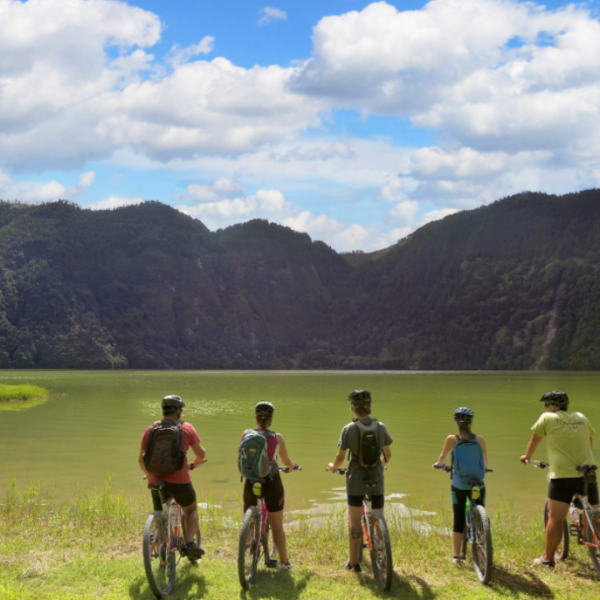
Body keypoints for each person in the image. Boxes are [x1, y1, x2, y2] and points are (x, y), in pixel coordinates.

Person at [520, 390, 597, 568]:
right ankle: (592, 539)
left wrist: (527, 457)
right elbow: (589, 442)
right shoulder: (582, 417)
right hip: (588, 472)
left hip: (563, 476)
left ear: (553, 406)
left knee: (555, 518)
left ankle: (547, 560)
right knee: (595, 514)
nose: (545, 408)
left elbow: (535, 439)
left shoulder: (547, 418)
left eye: (546, 405)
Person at [327, 389, 393, 573]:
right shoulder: (381, 427)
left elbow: (340, 458)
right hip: (377, 478)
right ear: (369, 407)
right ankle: (382, 555)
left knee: (354, 523)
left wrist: (333, 467)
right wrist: (380, 465)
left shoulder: (348, 429)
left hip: (356, 478)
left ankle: (353, 563)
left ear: (353, 407)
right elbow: (388, 455)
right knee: (379, 518)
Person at [139, 395, 206, 559]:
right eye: (180, 409)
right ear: (178, 411)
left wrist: (149, 474)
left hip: (156, 480)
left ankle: (162, 541)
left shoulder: (150, 430)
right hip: (179, 481)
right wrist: (197, 462)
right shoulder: (186, 428)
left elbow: (141, 459)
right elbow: (201, 454)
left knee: (160, 511)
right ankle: (189, 544)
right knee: (191, 510)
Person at [240, 401, 299, 570]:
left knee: (248, 518)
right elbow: (286, 461)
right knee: (277, 525)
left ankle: (246, 546)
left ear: (256, 418)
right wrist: (293, 466)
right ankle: (284, 562)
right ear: (271, 419)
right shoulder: (276, 437)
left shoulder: (245, 434)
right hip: (272, 482)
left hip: (251, 480)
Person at [434, 407, 489, 563]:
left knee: (458, 518)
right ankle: (483, 551)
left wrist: (439, 465)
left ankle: (457, 556)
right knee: (480, 515)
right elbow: (485, 461)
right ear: (471, 422)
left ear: (456, 422)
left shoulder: (452, 439)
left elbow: (442, 457)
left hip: (459, 485)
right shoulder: (480, 439)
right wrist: (486, 469)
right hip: (479, 484)